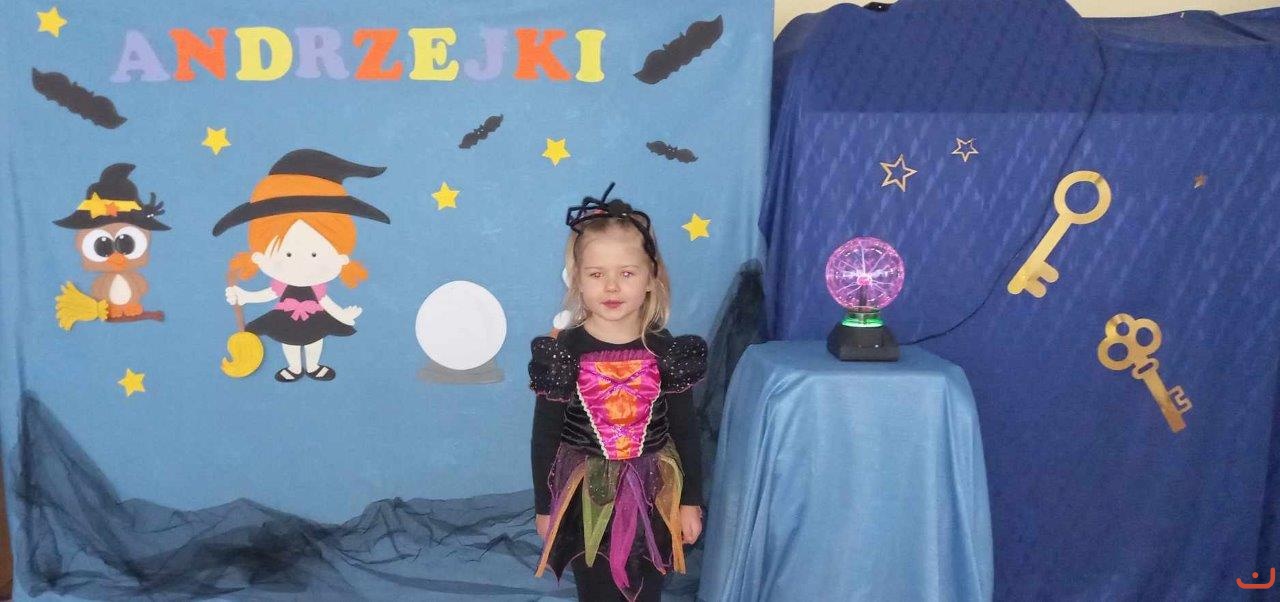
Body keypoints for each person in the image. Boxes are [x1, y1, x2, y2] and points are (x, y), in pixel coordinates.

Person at [530, 183, 706, 601]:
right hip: (586, 495)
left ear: (650, 279)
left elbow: (685, 429)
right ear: (578, 279)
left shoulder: (665, 350)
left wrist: (690, 501)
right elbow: (544, 435)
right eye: (597, 274)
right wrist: (544, 506)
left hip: (653, 492)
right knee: (595, 585)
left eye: (626, 273)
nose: (611, 287)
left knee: (646, 585)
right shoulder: (565, 351)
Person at [214, 149, 391, 382]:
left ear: (341, 257)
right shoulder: (281, 284)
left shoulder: (317, 288)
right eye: (287, 253)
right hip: (285, 318)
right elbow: (268, 293)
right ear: (260, 255)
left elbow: (325, 302)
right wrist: (244, 296)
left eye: (315, 254)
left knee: (314, 340)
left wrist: (342, 314)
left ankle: (313, 366)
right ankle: (295, 367)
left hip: (315, 318)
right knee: (289, 341)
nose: (301, 261)